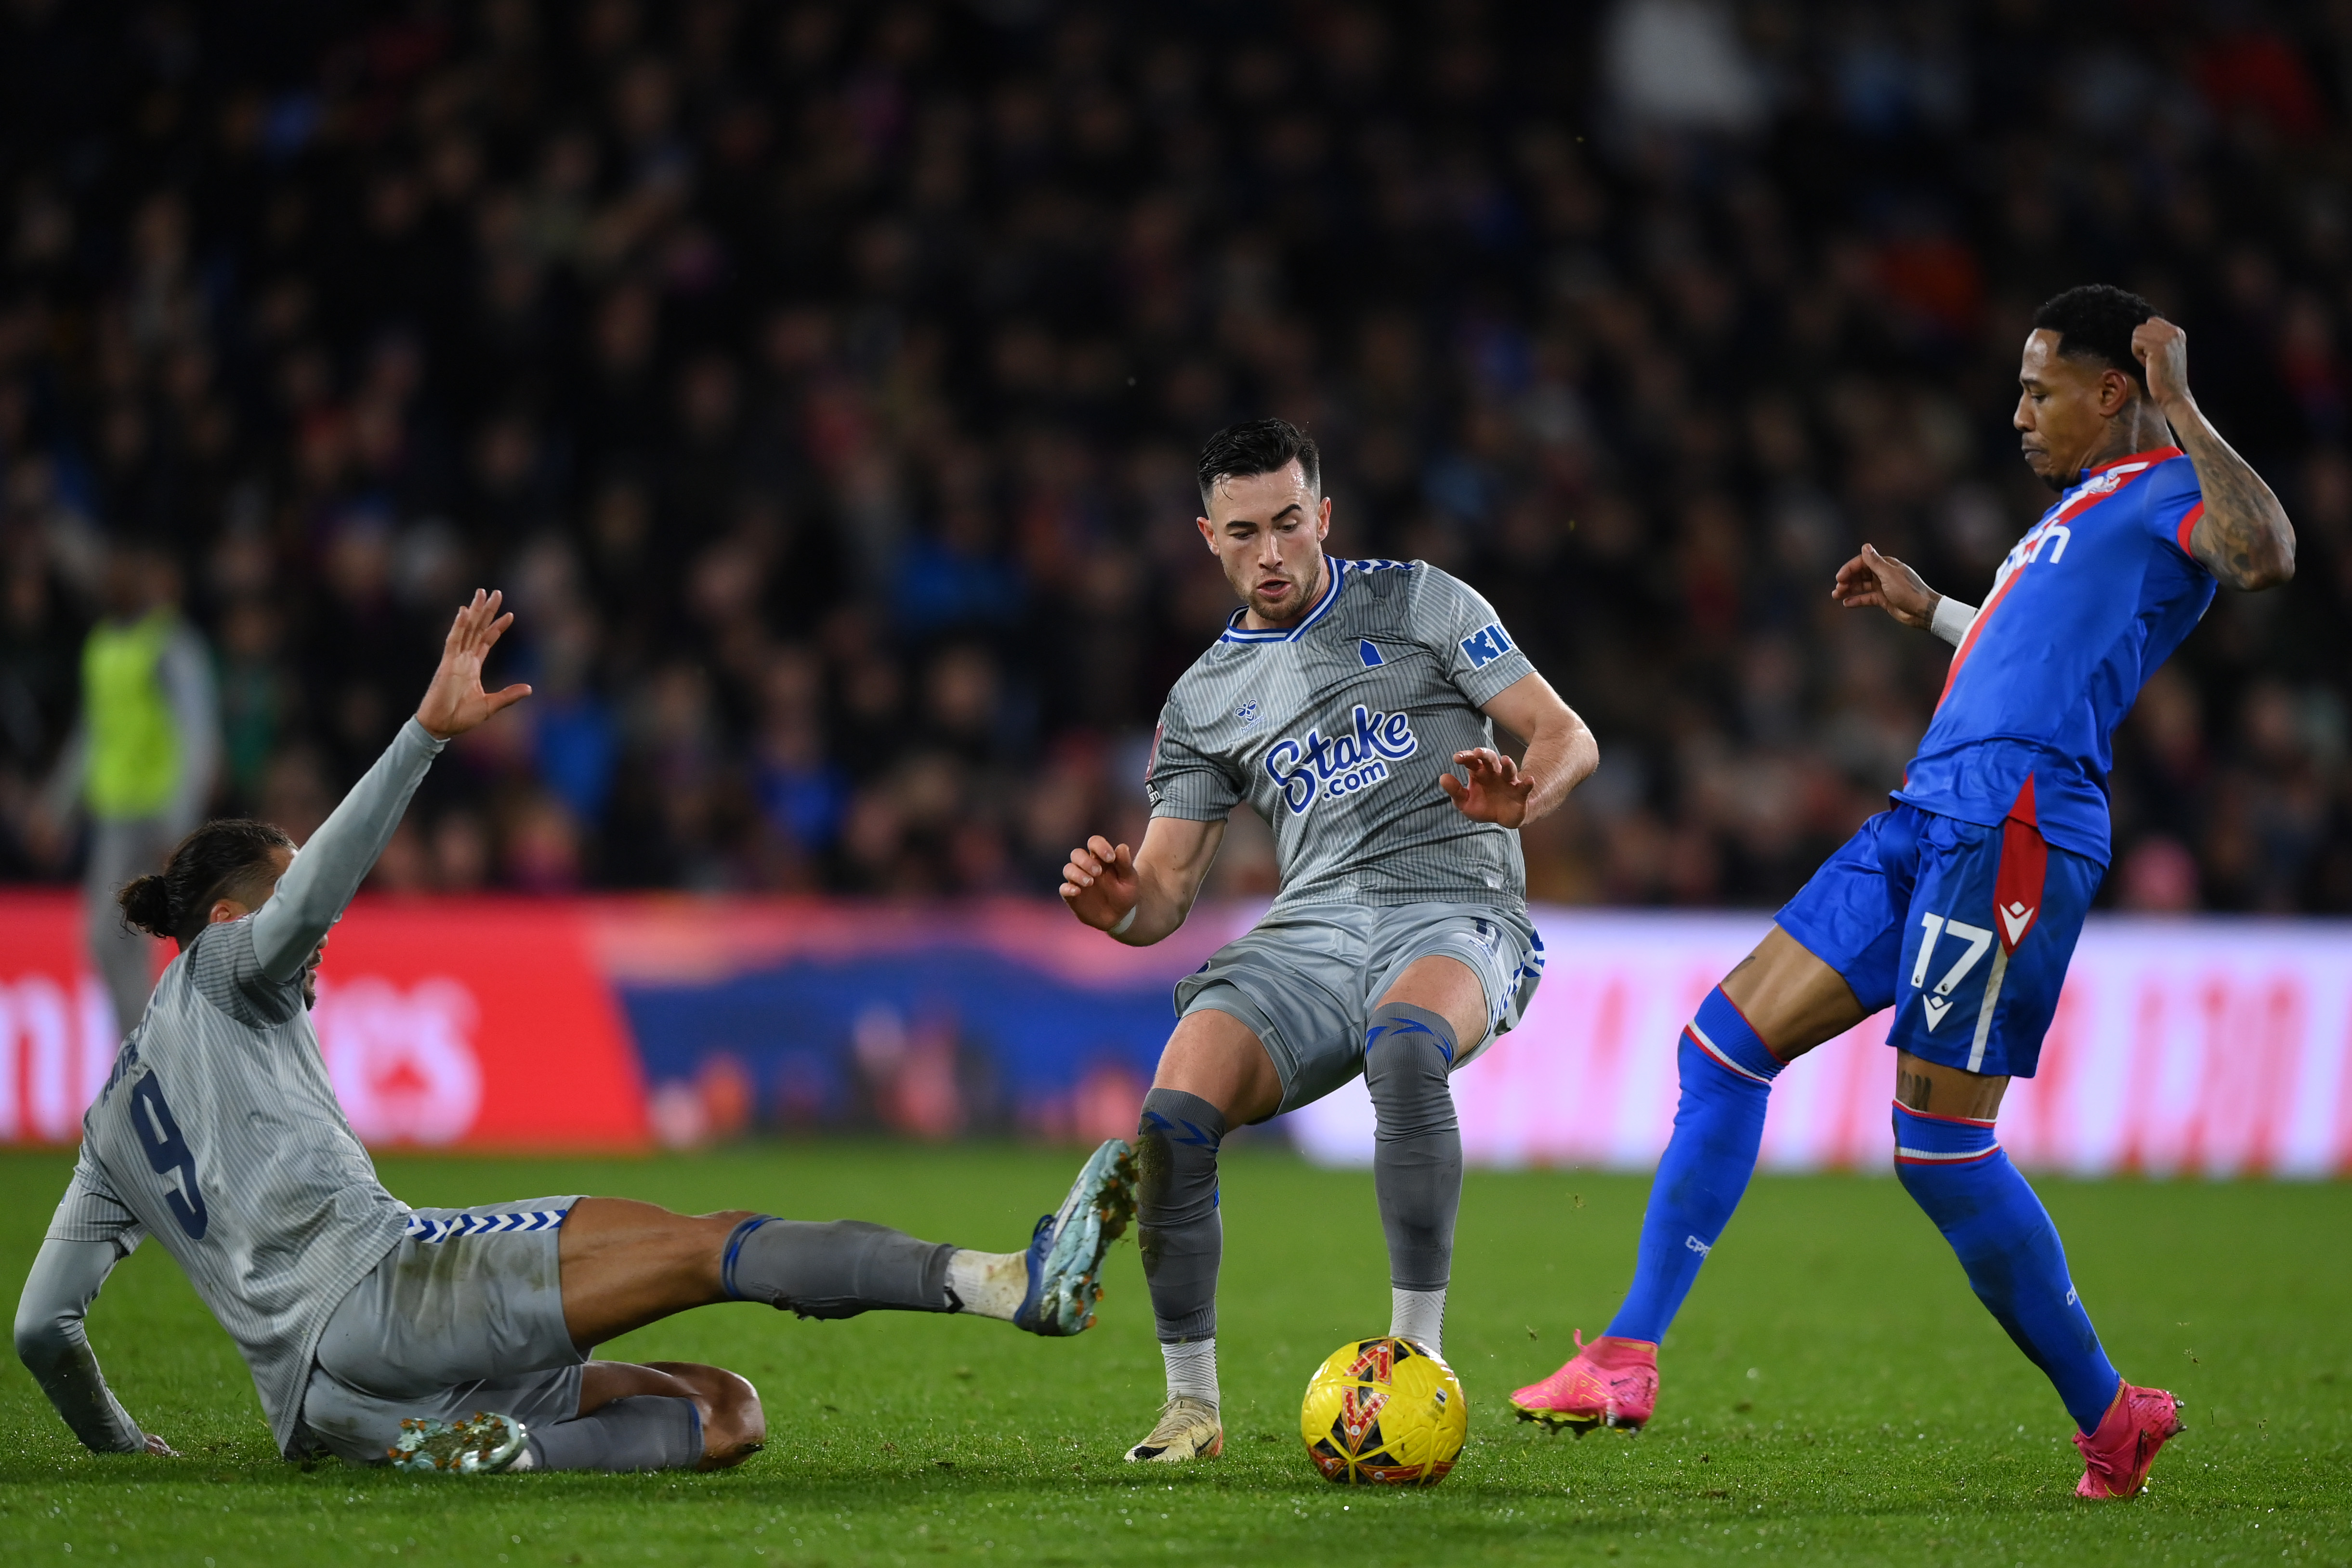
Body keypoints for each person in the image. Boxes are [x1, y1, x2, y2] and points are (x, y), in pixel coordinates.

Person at [13, 589, 1136, 1474]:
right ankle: (1003, 1283)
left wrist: (118, 1440)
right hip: (390, 1294)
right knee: (713, 1245)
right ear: (224, 917)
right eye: (288, 895)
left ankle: (486, 1451)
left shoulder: (111, 1123)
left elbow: (43, 1331)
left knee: (723, 1411)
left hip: (326, 1408)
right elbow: (300, 911)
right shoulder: (223, 966)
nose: (316, 937)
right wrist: (421, 738)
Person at [1508, 286, 2297, 1501]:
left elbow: (2266, 556)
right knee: (1719, 1047)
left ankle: (2110, 1416)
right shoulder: (2076, 512)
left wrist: (2181, 404)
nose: (2017, 413)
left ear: (2110, 392)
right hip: (1927, 810)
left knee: (1936, 1151)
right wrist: (1927, 606)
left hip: (2017, 827)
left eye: (2041, 390)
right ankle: (1625, 1355)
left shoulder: (2173, 492)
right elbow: (2032, 653)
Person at [1059, 418, 1600, 1463]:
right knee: (1171, 1116)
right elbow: (1164, 892)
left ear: (1324, 517)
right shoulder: (1201, 698)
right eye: (1244, 531)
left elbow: (1563, 732)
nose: (1271, 553)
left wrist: (1523, 798)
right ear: (1206, 536)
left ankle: (1416, 1362)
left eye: (1289, 524)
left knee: (1405, 1044)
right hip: (1309, 930)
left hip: (1454, 902)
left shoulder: (1418, 600)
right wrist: (1119, 906)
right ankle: (1189, 1407)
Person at [39, 543, 219, 1037]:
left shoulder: (170, 646)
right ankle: (144, 1048)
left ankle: (144, 1048)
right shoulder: (103, 646)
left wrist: (180, 822)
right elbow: (93, 733)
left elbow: (196, 736)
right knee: (119, 938)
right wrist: (58, 807)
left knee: (112, 934)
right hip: (114, 812)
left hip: (153, 815)